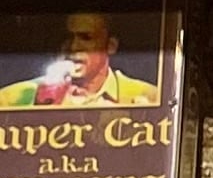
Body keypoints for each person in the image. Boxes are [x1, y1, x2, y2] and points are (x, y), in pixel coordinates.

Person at [0, 12, 158, 109]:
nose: (74, 46)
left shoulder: (150, 97)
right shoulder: (10, 99)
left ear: (111, 46)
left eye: (86, 37)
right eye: (66, 37)